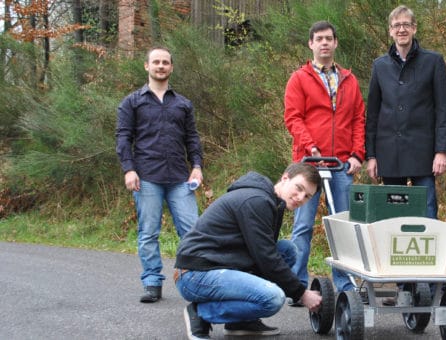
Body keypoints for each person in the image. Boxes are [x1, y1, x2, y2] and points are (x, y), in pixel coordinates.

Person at [174, 163, 323, 339]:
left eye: (307, 196)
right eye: (299, 188)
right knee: (272, 298)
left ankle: (240, 322)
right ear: (285, 178)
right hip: (195, 273)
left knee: (287, 250)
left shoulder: (273, 202)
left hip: (219, 262)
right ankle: (200, 313)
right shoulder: (256, 201)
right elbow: (266, 258)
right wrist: (301, 293)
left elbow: (264, 254)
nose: (300, 198)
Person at [284, 21, 366, 296]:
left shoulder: (349, 80)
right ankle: (296, 285)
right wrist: (311, 148)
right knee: (303, 225)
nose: (324, 43)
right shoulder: (299, 78)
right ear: (311, 44)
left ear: (335, 43)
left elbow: (358, 119)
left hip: (341, 164)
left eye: (329, 38)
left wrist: (357, 154)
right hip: (307, 164)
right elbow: (293, 118)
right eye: (319, 39)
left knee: (342, 225)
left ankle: (344, 284)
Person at [115, 47, 203, 303]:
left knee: (193, 231)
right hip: (147, 177)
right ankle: (152, 282)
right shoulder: (132, 102)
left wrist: (196, 165)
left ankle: (195, 279)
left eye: (165, 62)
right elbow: (123, 137)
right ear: (147, 66)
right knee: (148, 233)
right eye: (156, 62)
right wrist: (129, 169)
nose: (161, 66)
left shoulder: (183, 104)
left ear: (171, 67)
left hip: (180, 178)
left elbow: (192, 138)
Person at [365, 5, 446, 220]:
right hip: (389, 153)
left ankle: (429, 253)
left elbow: (442, 109)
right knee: (393, 215)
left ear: (414, 28)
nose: (401, 29)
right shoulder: (379, 66)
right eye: (396, 25)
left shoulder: (433, 61)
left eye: (405, 25)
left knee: (428, 210)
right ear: (390, 31)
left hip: (424, 152)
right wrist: (371, 155)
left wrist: (441, 151)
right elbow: (373, 114)